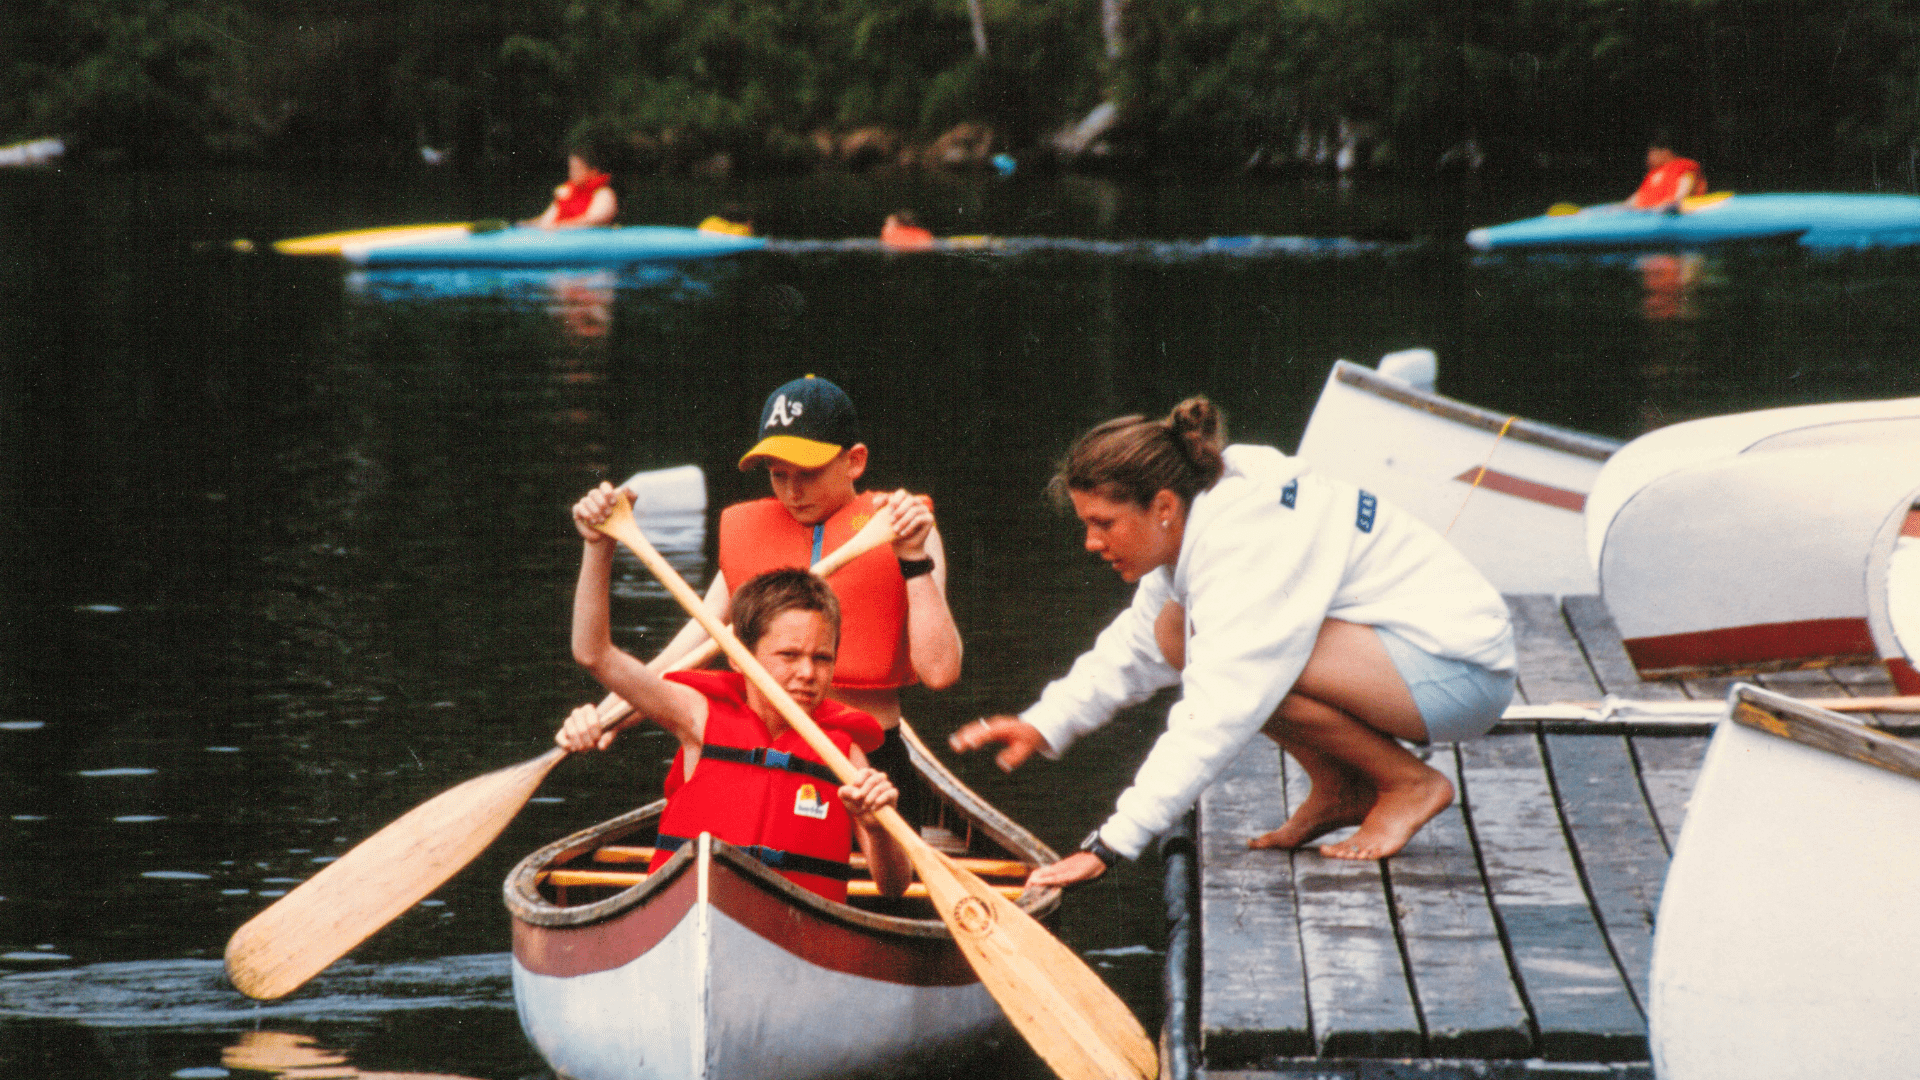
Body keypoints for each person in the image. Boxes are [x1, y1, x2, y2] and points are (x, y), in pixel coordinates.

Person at [949, 398, 1515, 887]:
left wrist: (1111, 845)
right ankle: (1342, 784)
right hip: (1408, 661)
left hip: (1459, 674)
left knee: (1236, 671)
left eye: (1104, 523)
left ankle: (1408, 784)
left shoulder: (1245, 541)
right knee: (1174, 632)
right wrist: (1047, 722)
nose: (1091, 543)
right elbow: (1138, 647)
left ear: (1164, 507)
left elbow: (1217, 709)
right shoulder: (1207, 517)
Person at [558, 490, 912, 903]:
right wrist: (598, 547)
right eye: (788, 656)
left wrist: (874, 828)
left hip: (795, 929)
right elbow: (594, 653)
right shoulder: (694, 715)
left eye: (822, 659)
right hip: (683, 908)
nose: (807, 673)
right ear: (740, 659)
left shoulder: (845, 755)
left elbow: (894, 886)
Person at [649, 375, 963, 819]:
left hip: (867, 763)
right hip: (762, 759)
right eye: (779, 476)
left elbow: (941, 671)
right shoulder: (750, 536)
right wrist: (601, 714)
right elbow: (678, 656)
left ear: (854, 462)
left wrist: (912, 559)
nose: (793, 492)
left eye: (809, 474)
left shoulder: (903, 527)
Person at [522, 149, 618, 230]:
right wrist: (528, 225)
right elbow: (545, 222)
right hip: (566, 239)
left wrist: (559, 226)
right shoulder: (566, 192)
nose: (572, 173)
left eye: (577, 169)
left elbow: (595, 219)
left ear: (593, 171)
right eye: (571, 169)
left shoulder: (604, 193)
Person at [1626, 137, 1705, 213]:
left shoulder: (1684, 165)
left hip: (1673, 213)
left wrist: (1673, 204)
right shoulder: (1653, 173)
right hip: (1650, 213)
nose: (1648, 158)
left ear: (1665, 152)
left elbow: (1684, 190)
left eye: (1651, 153)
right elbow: (1638, 196)